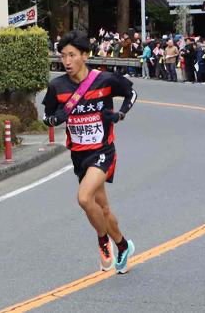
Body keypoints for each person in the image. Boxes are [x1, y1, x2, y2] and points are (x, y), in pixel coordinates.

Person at [42, 31, 137, 274]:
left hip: (103, 150)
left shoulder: (104, 80)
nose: (67, 61)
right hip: (79, 155)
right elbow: (46, 118)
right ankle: (123, 246)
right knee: (102, 209)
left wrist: (120, 114)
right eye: (63, 56)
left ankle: (102, 240)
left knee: (84, 198)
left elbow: (131, 93)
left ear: (85, 55)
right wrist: (57, 119)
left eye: (72, 55)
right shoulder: (57, 86)